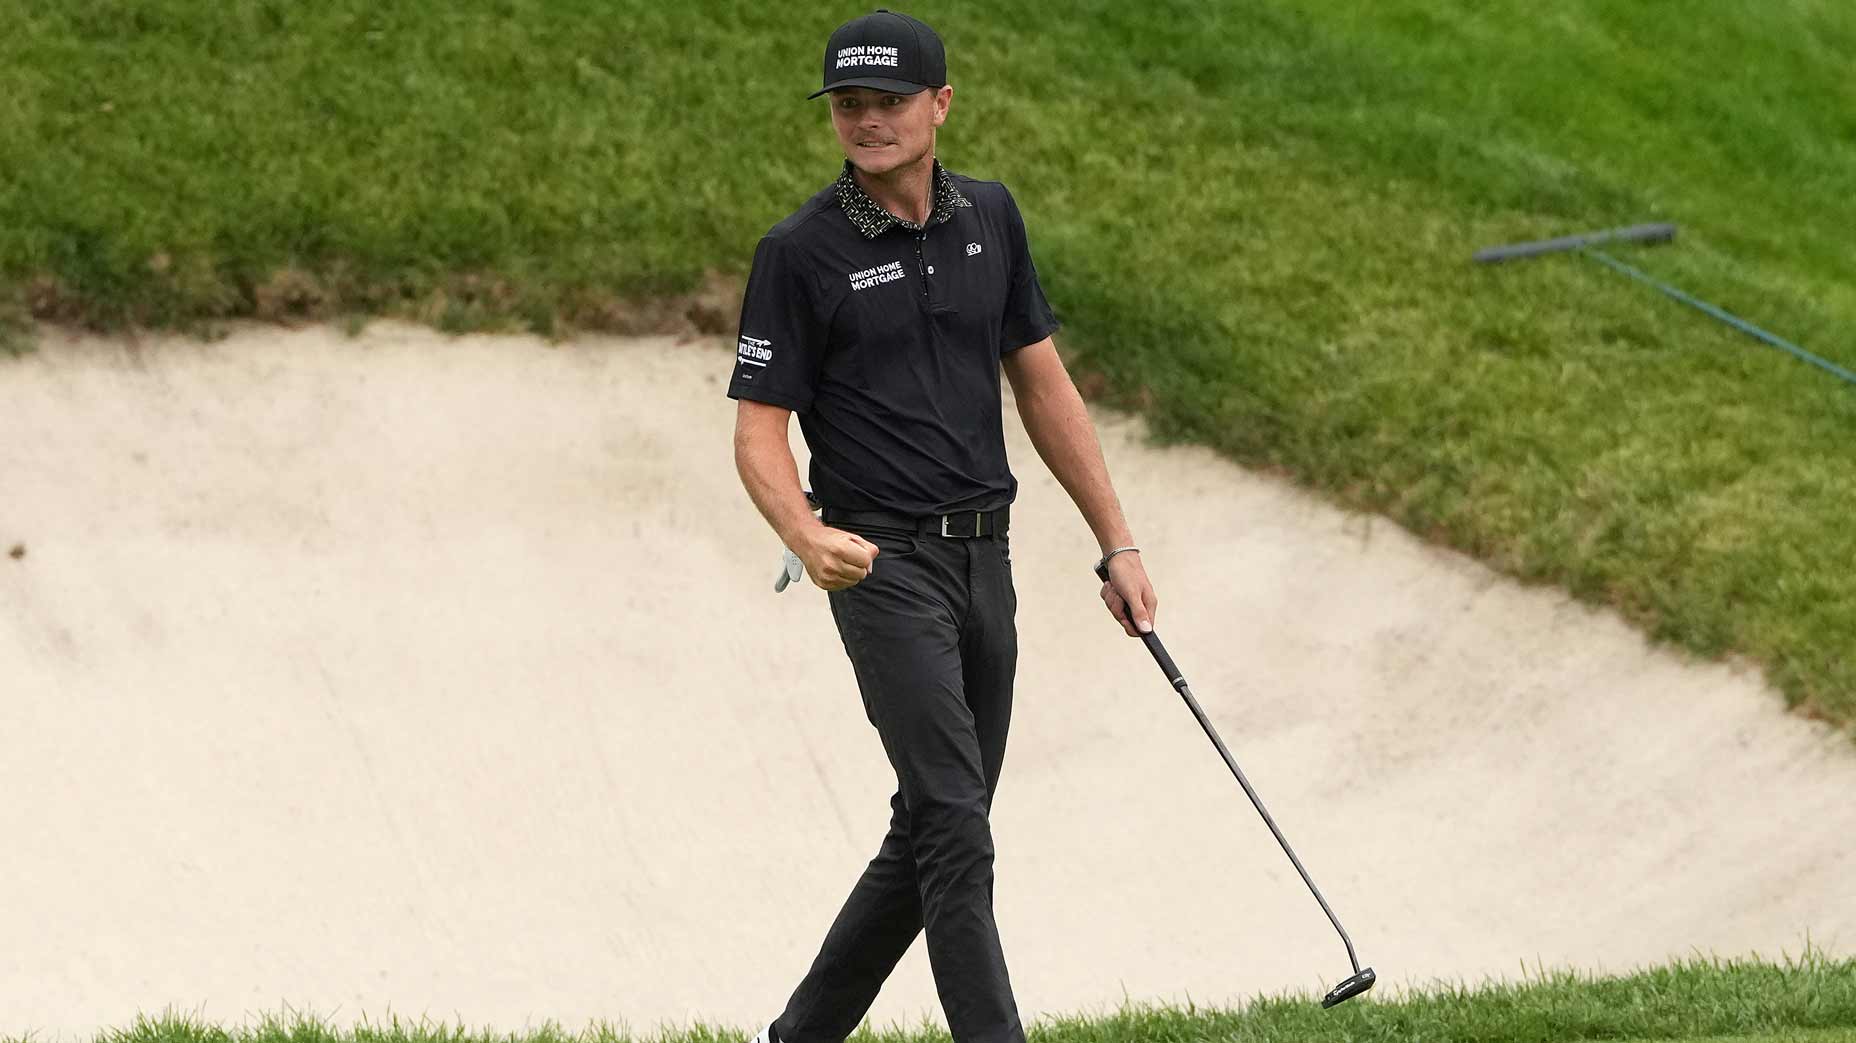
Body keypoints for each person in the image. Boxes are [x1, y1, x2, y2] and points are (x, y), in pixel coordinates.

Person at [726, 10, 1158, 1043]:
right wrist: (801, 531)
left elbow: (1043, 385)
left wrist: (1117, 540)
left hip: (984, 559)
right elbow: (756, 433)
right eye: (847, 105)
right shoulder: (798, 252)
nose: (866, 121)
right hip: (880, 563)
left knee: (932, 822)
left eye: (886, 102)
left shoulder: (989, 219)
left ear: (939, 105)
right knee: (958, 826)